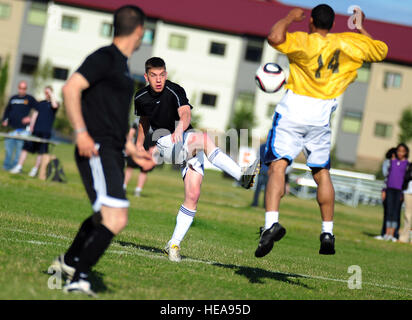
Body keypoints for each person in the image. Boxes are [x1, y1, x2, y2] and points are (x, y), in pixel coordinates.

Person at [254, 4, 388, 258]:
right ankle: (327, 231)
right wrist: (360, 28)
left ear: (312, 21)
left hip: (294, 108)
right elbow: (380, 51)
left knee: (278, 166)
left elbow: (274, 38)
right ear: (333, 24)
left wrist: (289, 17)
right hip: (322, 115)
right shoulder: (349, 42)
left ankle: (271, 224)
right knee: (321, 171)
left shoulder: (304, 41)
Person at [48, 5, 153, 296]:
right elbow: (71, 89)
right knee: (115, 218)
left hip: (113, 149)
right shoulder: (105, 57)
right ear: (139, 31)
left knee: (102, 216)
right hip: (95, 148)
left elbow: (112, 117)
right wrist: (81, 133)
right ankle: (78, 280)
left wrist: (132, 149)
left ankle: (67, 264)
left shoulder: (121, 65)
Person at [134, 57, 260, 262]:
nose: (159, 79)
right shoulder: (140, 96)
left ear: (166, 74)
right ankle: (241, 176)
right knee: (203, 139)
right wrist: (139, 144)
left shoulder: (174, 90)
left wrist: (179, 128)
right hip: (165, 142)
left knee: (193, 195)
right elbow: (144, 121)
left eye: (162, 74)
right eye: (154, 75)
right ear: (147, 76)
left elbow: (185, 114)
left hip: (183, 137)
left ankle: (173, 244)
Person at [10, 86, 59, 177]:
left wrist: (51, 94)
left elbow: (54, 106)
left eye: (48, 92)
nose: (46, 94)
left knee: (41, 152)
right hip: (35, 130)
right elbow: (35, 114)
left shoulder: (55, 103)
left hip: (45, 132)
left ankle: (35, 169)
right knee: (25, 148)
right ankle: (19, 166)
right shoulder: (40, 103)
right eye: (45, 92)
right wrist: (31, 125)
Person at [1, 81, 37, 171]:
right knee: (9, 150)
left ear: (26, 89)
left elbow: (38, 109)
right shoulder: (13, 98)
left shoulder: (29, 99)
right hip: (11, 129)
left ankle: (16, 168)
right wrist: (4, 120)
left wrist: (30, 118)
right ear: (18, 88)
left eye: (24, 88)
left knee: (19, 150)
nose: (22, 90)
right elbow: (7, 111)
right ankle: (6, 166)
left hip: (23, 130)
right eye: (20, 88)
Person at [123, 118, 157, 197]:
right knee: (129, 167)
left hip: (150, 149)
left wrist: (155, 148)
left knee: (144, 170)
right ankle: (123, 187)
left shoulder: (158, 119)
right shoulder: (137, 119)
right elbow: (131, 133)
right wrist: (129, 145)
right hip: (136, 148)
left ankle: (138, 190)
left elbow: (161, 136)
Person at [383, 143, 409, 242]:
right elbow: (386, 177)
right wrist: (384, 190)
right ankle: (387, 233)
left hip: (399, 191)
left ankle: (393, 233)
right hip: (390, 189)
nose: (400, 153)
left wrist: (403, 192)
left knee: (395, 212)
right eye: (399, 151)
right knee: (389, 211)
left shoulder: (407, 164)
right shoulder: (392, 162)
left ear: (406, 152)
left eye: (402, 151)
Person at [374, 147, 397, 240]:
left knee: (395, 214)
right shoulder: (387, 162)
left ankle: (393, 234)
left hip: (397, 190)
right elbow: (385, 174)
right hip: (387, 189)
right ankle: (384, 233)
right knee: (387, 212)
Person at [399, 161, 412, 243]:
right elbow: (405, 178)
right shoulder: (410, 166)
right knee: (407, 215)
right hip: (408, 192)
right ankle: (404, 238)